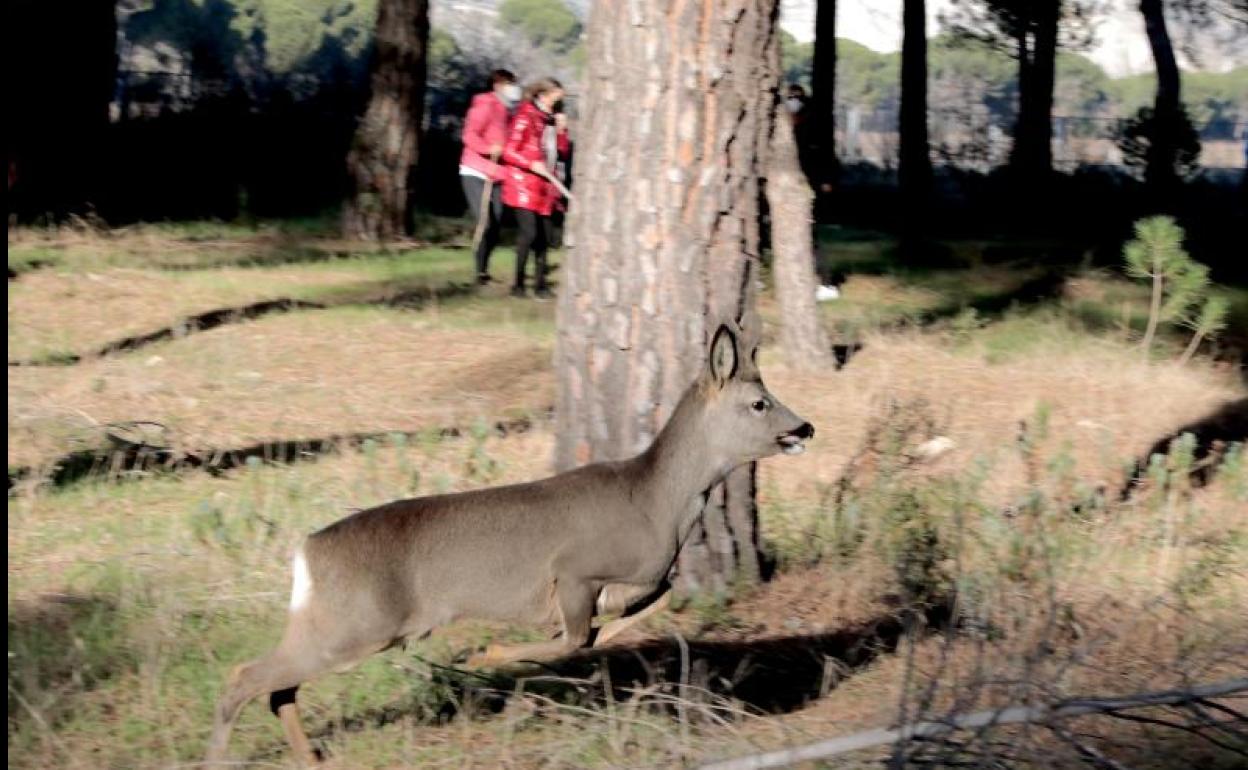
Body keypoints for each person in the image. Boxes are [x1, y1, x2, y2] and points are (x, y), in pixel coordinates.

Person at [500, 77, 570, 299]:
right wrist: (530, 164)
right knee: (529, 233)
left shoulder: (551, 121)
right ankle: (518, 284)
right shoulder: (525, 116)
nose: (556, 104)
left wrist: (561, 131)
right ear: (542, 95)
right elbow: (509, 151)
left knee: (545, 237)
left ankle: (540, 285)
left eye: (559, 100)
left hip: (547, 186)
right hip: (524, 184)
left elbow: (562, 152)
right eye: (554, 99)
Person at [460, 69, 522, 285]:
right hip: (476, 170)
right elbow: (469, 135)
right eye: (510, 84)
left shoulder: (511, 111)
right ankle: (479, 272)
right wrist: (488, 148)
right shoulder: (485, 104)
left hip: (498, 174)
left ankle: (484, 268)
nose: (514, 89)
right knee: (485, 221)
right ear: (498, 85)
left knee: (496, 224)